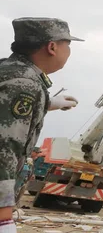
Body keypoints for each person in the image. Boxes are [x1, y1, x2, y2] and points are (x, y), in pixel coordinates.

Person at [0, 18, 83, 233]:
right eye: (68, 45)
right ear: (52, 47)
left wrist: (50, 102)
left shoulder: (12, 72)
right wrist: (3, 216)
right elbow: (4, 147)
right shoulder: (24, 84)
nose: (69, 52)